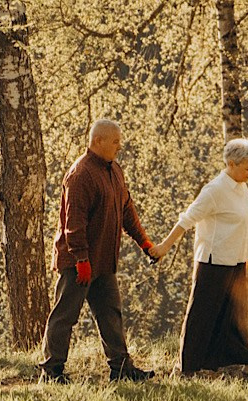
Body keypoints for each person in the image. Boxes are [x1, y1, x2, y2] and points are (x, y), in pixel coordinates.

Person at [38, 119, 159, 384]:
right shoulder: (80, 175)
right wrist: (81, 259)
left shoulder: (115, 170)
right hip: (77, 262)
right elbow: (74, 223)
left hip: (103, 261)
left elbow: (127, 211)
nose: (119, 146)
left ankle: (121, 369)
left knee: (110, 314)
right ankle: (51, 371)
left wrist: (145, 244)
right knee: (64, 316)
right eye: (115, 141)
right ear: (98, 142)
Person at [154, 138, 248, 377]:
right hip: (213, 262)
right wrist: (163, 247)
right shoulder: (214, 190)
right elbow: (187, 220)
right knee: (202, 314)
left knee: (235, 314)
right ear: (231, 164)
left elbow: (243, 225)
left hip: (236, 261)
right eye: (247, 168)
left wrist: (246, 259)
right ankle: (186, 367)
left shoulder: (241, 187)